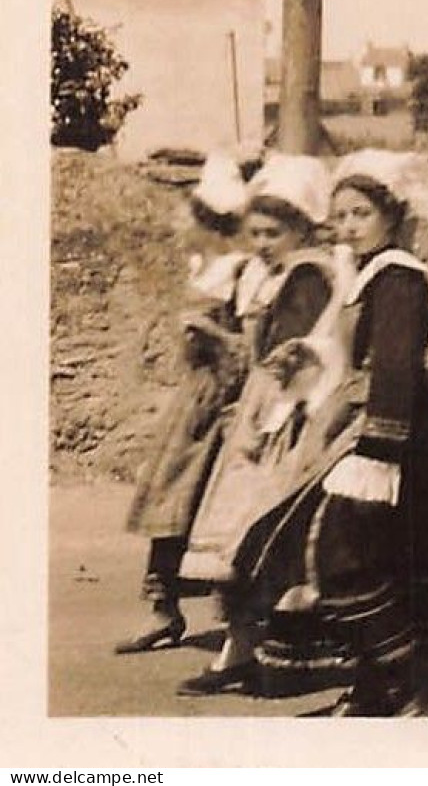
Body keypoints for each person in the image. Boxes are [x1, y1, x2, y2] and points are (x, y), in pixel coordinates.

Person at [243, 149, 428, 716]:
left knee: (345, 554)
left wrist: (376, 452)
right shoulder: (366, 275)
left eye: (361, 214)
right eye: (341, 215)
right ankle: (378, 685)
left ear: (392, 217)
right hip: (368, 428)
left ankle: (400, 684)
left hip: (395, 441)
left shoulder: (399, 278)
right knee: (370, 559)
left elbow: (393, 366)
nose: (347, 227)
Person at [176, 154, 346, 695]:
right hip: (264, 410)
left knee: (258, 532)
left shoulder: (307, 277)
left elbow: (292, 358)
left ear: (302, 226)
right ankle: (242, 648)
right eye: (257, 233)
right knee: (246, 538)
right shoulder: (279, 277)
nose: (264, 243)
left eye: (275, 232)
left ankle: (250, 652)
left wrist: (263, 417)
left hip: (283, 418)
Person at [117, 153, 254, 654]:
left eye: (184, 216)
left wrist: (213, 333)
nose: (177, 225)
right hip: (190, 403)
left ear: (208, 223)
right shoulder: (201, 268)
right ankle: (163, 608)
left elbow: (249, 349)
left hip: (221, 407)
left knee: (214, 508)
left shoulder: (240, 273)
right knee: (168, 502)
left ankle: (237, 624)